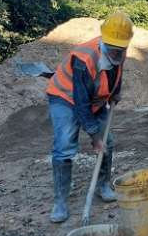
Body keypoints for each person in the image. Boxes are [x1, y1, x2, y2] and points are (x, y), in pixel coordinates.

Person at [45, 11, 133, 223]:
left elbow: (116, 73)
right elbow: (81, 104)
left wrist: (116, 92)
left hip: (96, 99)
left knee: (108, 143)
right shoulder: (84, 59)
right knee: (65, 145)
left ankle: (103, 185)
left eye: (121, 49)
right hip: (65, 98)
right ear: (104, 40)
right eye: (114, 49)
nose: (118, 53)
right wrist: (94, 136)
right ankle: (60, 202)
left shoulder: (120, 50)